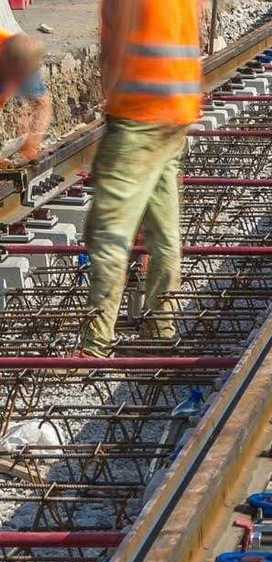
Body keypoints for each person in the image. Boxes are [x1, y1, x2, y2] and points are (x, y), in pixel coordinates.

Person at [80, 0, 202, 357]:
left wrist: (112, 99)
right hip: (176, 112)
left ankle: (95, 342)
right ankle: (161, 325)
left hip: (137, 111)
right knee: (164, 231)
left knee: (108, 232)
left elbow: (114, 48)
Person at [0, 30, 51, 167]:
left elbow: (42, 104)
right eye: (14, 78)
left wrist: (33, 139)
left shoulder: (25, 58)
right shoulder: (10, 57)